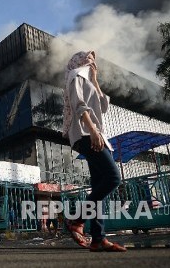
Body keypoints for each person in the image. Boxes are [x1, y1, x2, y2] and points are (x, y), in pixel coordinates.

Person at [63, 51, 126, 252]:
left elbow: (105, 105)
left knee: (99, 186)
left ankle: (98, 239)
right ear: (79, 61)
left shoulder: (88, 80)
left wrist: (95, 79)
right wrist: (92, 131)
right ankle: (76, 219)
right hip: (85, 134)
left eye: (93, 61)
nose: (92, 63)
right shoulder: (75, 76)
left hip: (94, 134)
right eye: (88, 59)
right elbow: (79, 105)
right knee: (113, 178)